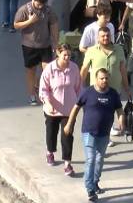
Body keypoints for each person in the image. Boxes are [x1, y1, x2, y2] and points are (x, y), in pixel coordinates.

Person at [64, 68, 124, 202]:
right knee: (91, 159)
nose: (104, 80)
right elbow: (76, 108)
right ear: (96, 79)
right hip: (89, 132)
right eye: (101, 78)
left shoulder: (113, 94)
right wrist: (69, 123)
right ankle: (90, 189)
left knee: (99, 160)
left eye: (106, 78)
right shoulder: (87, 92)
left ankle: (95, 181)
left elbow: (119, 109)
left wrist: (121, 121)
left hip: (104, 133)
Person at [39, 44, 82, 176]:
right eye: (65, 55)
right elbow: (44, 89)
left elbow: (79, 88)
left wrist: (79, 104)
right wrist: (47, 102)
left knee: (67, 136)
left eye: (69, 55)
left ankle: (67, 163)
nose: (67, 57)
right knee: (51, 133)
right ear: (58, 54)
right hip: (52, 109)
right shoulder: (50, 69)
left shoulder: (74, 68)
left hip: (69, 110)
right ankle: (50, 151)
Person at [14, 0, 59, 105]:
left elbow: (54, 25)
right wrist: (30, 21)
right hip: (29, 46)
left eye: (42, 4)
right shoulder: (24, 10)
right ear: (33, 0)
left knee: (48, 70)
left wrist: (55, 42)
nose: (40, 7)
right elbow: (16, 25)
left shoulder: (48, 11)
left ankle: (40, 85)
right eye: (38, 4)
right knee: (31, 71)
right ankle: (32, 95)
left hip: (45, 45)